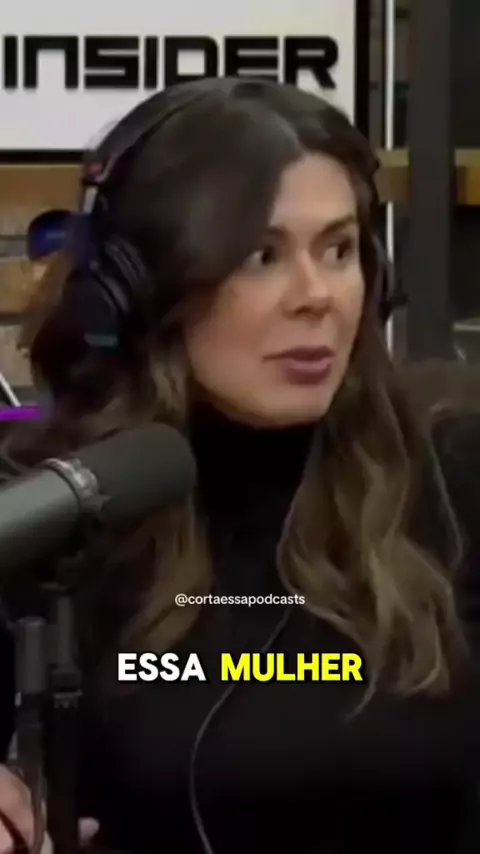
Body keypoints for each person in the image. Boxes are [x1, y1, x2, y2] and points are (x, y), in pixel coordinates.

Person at [0, 77, 479, 854]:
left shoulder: (456, 476)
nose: (317, 297)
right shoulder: (53, 509)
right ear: (143, 287)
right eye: (262, 256)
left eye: (339, 249)